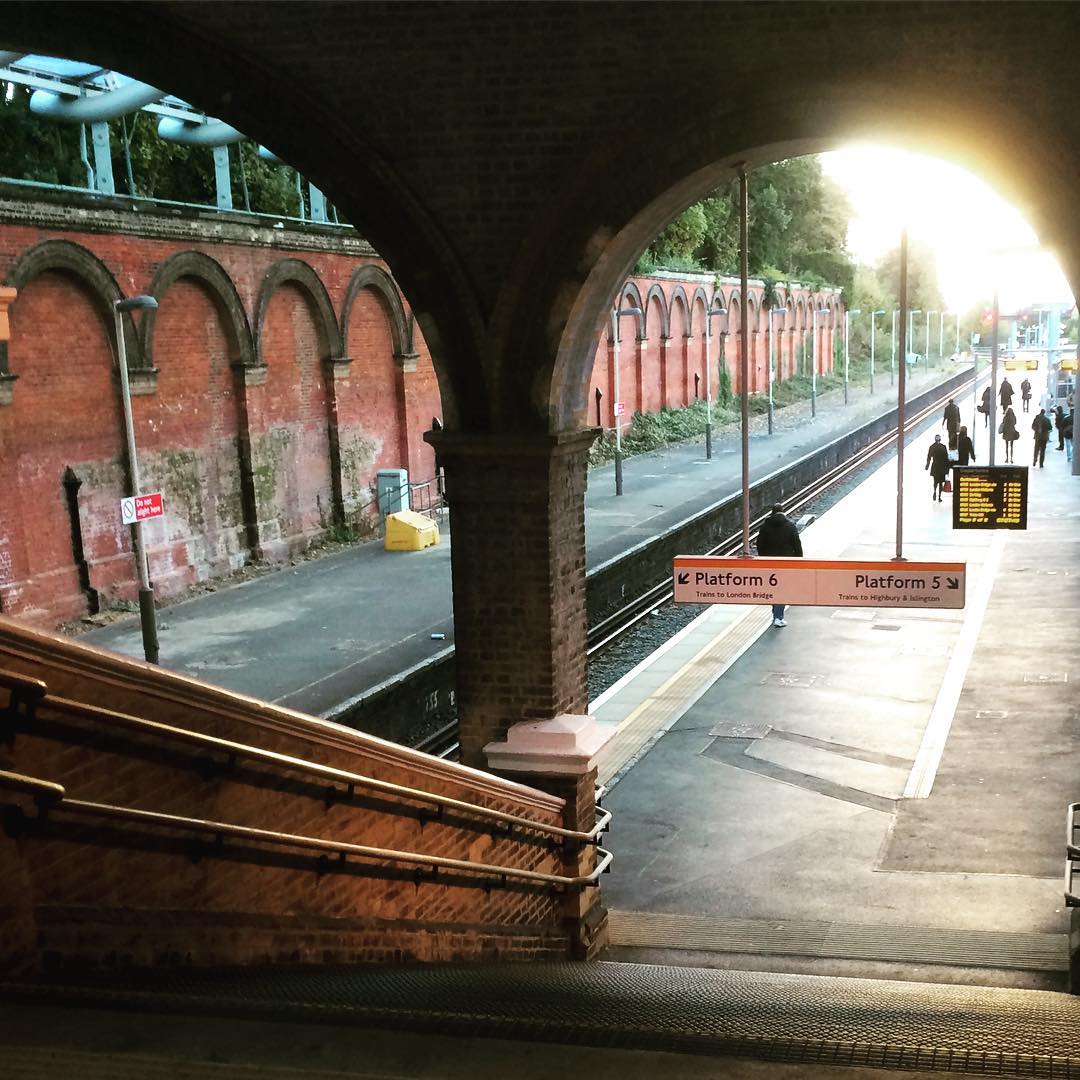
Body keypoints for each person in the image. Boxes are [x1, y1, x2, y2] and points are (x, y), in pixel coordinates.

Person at [756, 502, 802, 628]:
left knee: (774, 588)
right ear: (783, 512)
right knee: (782, 589)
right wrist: (799, 562)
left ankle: (776, 615)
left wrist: (764, 558)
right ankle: (778, 617)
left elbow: (759, 545)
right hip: (786, 563)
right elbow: (797, 546)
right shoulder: (790, 526)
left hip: (770, 563)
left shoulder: (765, 527)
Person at [925, 433, 951, 501]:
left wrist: (927, 465)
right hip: (942, 466)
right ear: (940, 439)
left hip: (935, 466)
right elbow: (946, 458)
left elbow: (929, 457)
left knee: (935, 481)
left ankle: (934, 492)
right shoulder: (943, 447)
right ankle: (939, 497)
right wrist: (948, 468)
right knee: (940, 482)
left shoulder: (932, 447)